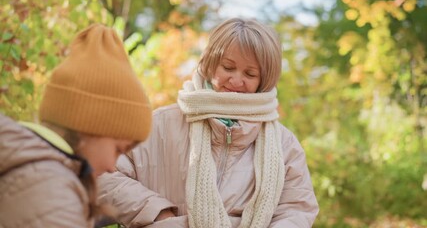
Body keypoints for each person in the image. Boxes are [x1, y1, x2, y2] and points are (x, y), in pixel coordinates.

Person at [97, 18, 319, 228]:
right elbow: (100, 175)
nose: (236, 80)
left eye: (250, 74)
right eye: (228, 67)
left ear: (264, 80)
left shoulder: (284, 144)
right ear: (211, 64)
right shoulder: (157, 125)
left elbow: (296, 209)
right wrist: (157, 212)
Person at [0, 24, 152, 227]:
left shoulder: (32, 169)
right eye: (117, 150)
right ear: (90, 126)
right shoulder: (50, 192)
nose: (111, 166)